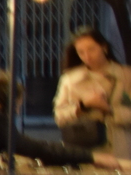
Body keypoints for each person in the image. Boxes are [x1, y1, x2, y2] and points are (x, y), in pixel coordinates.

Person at [53, 29, 131, 158]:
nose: (87, 56)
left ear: (104, 47)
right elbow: (59, 116)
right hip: (84, 149)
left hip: (121, 148)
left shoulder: (126, 76)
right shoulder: (70, 79)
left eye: (91, 49)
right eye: (81, 52)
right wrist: (82, 107)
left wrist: (108, 109)